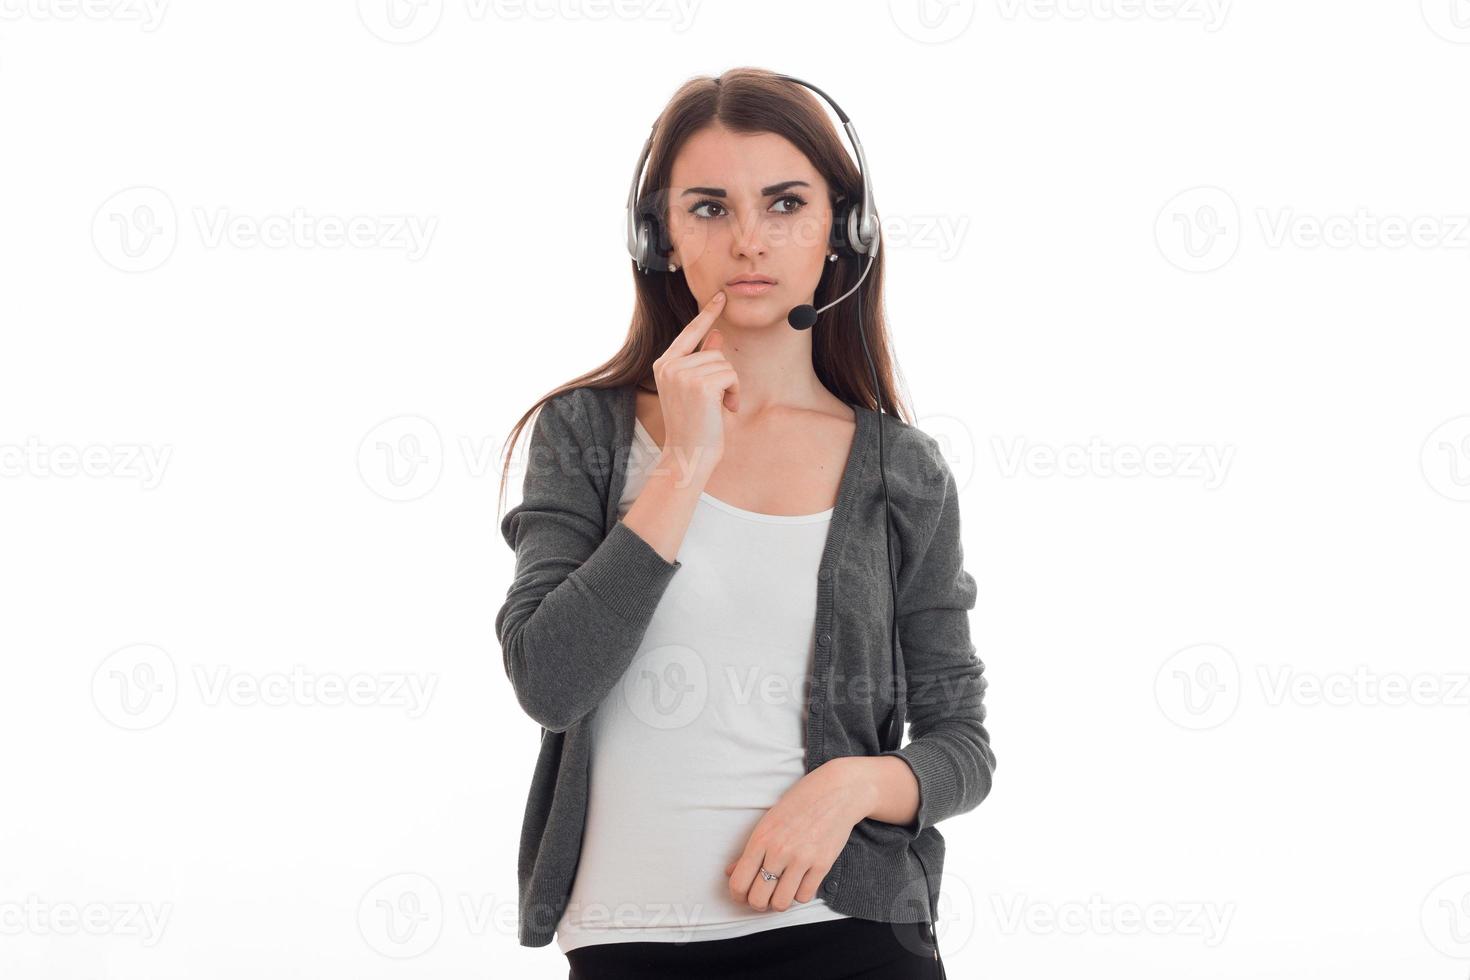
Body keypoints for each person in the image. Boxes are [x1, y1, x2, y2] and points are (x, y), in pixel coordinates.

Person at [495, 67, 994, 979]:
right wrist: (683, 466)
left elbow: (961, 743)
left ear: (844, 231)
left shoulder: (902, 470)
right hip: (626, 944)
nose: (750, 240)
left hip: (847, 933)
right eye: (711, 208)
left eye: (785, 203)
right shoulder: (585, 434)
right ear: (660, 236)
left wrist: (854, 786)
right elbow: (549, 681)